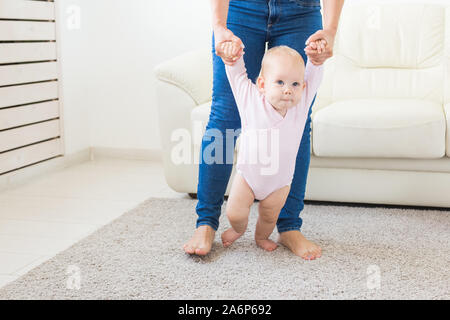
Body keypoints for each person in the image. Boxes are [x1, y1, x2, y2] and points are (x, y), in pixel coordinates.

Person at [184, 0, 344, 260]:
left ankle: (289, 226)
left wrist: (331, 30)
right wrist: (219, 26)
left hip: (301, 11)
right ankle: (206, 222)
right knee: (224, 116)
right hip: (241, 7)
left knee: (297, 118)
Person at [219, 40, 325, 252]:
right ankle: (238, 229)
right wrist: (233, 57)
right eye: (280, 82)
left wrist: (316, 61)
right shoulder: (251, 100)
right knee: (235, 212)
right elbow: (237, 76)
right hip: (248, 177)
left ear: (303, 88)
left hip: (279, 182)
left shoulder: (300, 106)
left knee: (269, 216)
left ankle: (261, 237)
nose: (288, 90)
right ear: (262, 84)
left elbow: (314, 78)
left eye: (295, 84)